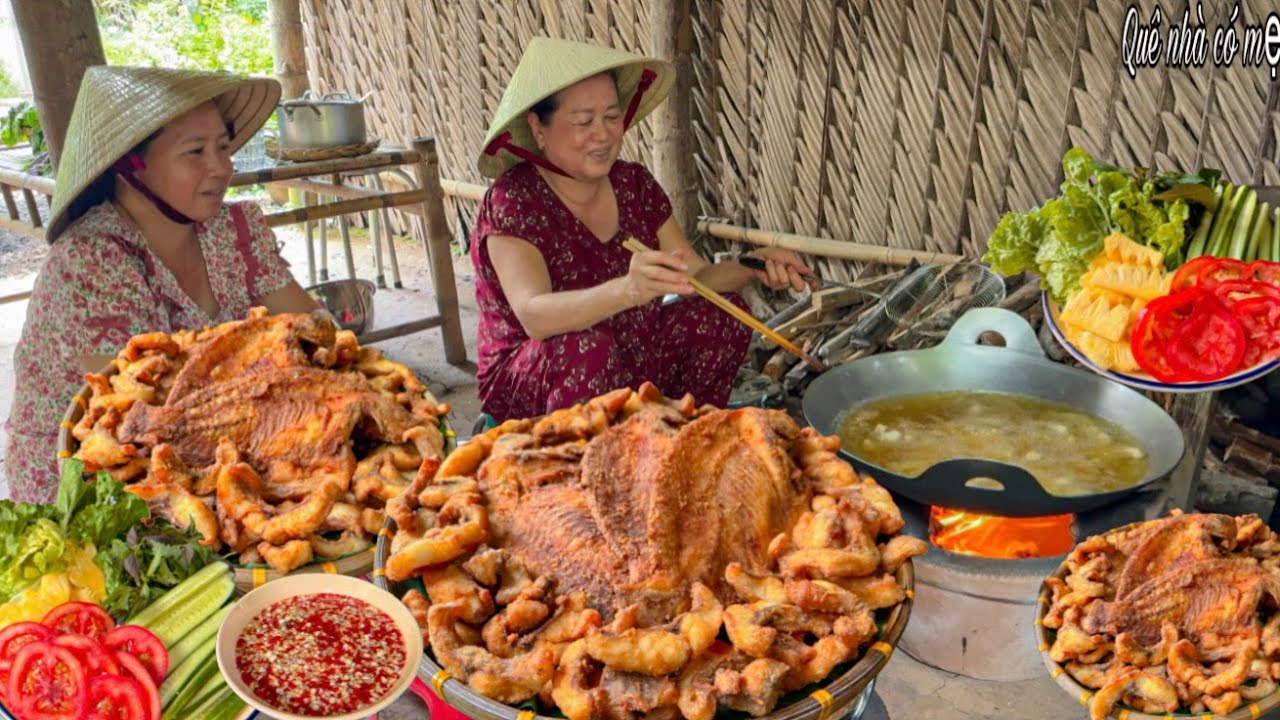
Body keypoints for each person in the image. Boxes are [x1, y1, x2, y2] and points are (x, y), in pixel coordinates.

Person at [4, 66, 318, 502]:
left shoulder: (233, 229)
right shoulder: (92, 262)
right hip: (94, 486)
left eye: (223, 147)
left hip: (208, 451)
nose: (221, 167)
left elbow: (311, 328)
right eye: (195, 152)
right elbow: (137, 418)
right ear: (131, 164)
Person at [471, 37, 813, 422]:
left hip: (628, 350)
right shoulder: (513, 201)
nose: (603, 134)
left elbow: (695, 276)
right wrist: (628, 290)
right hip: (540, 371)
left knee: (723, 313)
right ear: (538, 128)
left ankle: (683, 436)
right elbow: (534, 314)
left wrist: (753, 267)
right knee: (586, 350)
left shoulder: (633, 185)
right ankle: (587, 467)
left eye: (612, 117)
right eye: (584, 121)